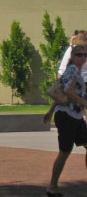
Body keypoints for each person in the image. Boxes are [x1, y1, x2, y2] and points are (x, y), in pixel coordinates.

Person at [47, 44, 87, 197]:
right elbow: (67, 91)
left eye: (85, 55)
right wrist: (83, 103)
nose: (82, 58)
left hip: (75, 116)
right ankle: (52, 186)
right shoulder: (72, 70)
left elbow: (60, 91)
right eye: (79, 54)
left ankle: (53, 186)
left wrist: (49, 112)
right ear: (72, 56)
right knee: (64, 152)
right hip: (66, 117)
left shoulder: (74, 71)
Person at [43, 30, 87, 125]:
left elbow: (63, 84)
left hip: (68, 78)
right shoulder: (82, 51)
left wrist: (50, 111)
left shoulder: (72, 49)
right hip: (80, 80)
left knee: (67, 100)